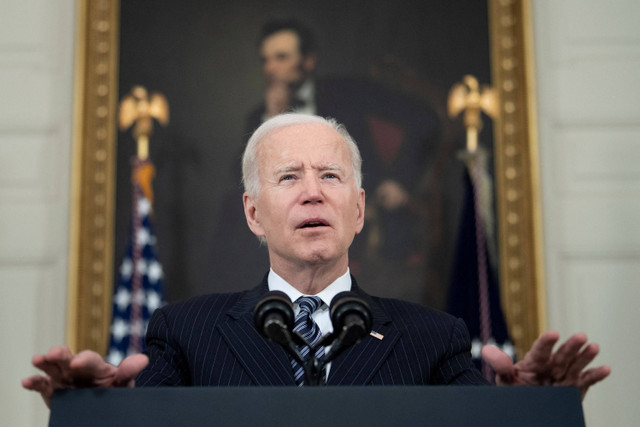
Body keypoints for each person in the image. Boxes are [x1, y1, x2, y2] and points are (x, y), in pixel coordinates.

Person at [23, 114, 609, 407]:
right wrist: (89, 413)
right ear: (254, 214)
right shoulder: (186, 333)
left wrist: (533, 413)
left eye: (331, 176)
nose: (313, 192)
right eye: (288, 177)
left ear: (358, 210)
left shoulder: (435, 340)